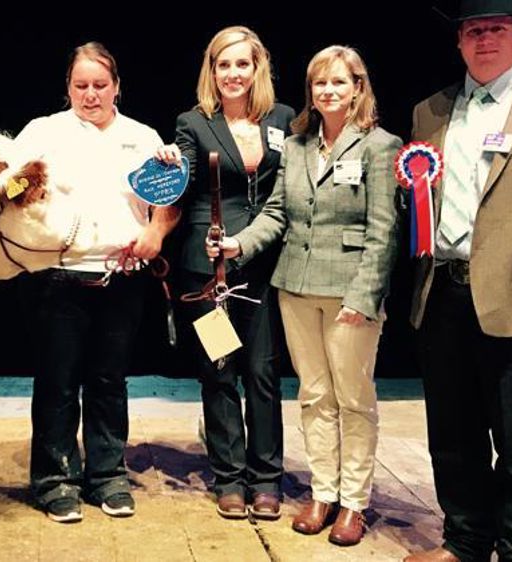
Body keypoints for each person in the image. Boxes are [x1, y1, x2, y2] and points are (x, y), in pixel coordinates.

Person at [215, 45, 401, 546]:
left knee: (354, 400)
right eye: (320, 83)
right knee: (315, 397)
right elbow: (276, 213)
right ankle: (322, 494)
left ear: (358, 87)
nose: (328, 91)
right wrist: (238, 244)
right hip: (294, 289)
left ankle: (353, 503)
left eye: (339, 82)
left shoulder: (380, 146)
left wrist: (364, 296)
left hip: (349, 295)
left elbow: (383, 232)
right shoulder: (296, 146)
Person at [403, 1, 512, 560]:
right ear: (459, 42)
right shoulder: (431, 111)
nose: (483, 39)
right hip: (441, 291)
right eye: (472, 31)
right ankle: (465, 541)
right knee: (454, 437)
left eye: (495, 29)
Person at [15, 41, 179, 523]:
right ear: (67, 87)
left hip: (122, 279)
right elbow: (8, 188)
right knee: (57, 383)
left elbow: (169, 203)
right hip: (56, 278)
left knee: (109, 381)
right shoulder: (42, 133)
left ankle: (107, 477)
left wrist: (155, 232)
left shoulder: (144, 137)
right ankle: (55, 482)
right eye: (80, 85)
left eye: (100, 86)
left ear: (117, 88)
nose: (90, 95)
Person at [155, 25, 294, 521]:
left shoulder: (284, 119)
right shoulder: (192, 122)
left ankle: (266, 479)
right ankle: (229, 478)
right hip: (207, 269)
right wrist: (169, 161)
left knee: (262, 374)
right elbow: (183, 180)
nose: (233, 74)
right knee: (219, 372)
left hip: (263, 265)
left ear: (258, 68)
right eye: (223, 65)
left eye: (242, 64)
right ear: (210, 72)